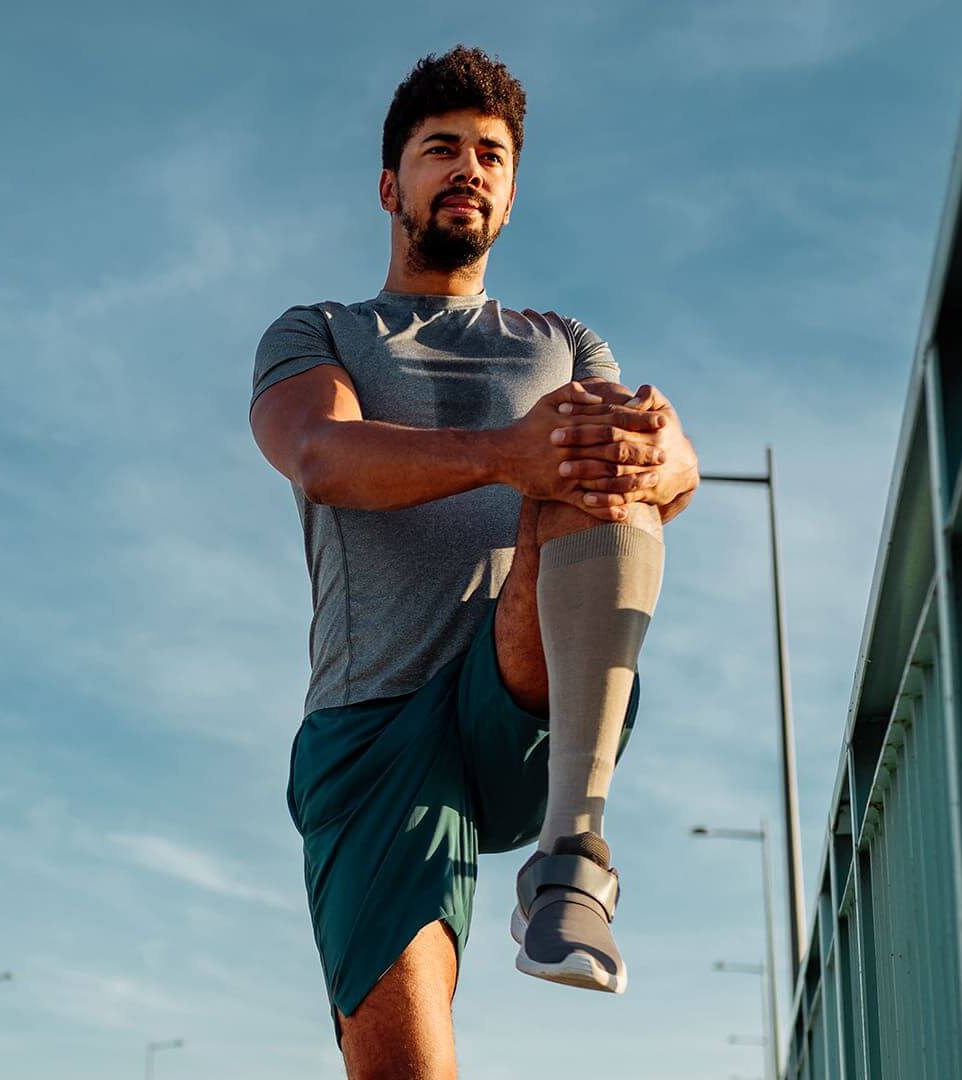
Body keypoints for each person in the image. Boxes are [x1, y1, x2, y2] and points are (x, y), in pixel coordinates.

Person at [247, 45, 701, 1078]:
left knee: (599, 449)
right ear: (388, 186)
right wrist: (505, 452)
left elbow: (673, 467)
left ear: (512, 189)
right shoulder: (320, 330)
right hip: (374, 725)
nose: (469, 169)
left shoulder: (564, 340)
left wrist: (660, 447)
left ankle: (575, 859)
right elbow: (319, 457)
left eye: (490, 154)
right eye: (440, 148)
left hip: (524, 692)